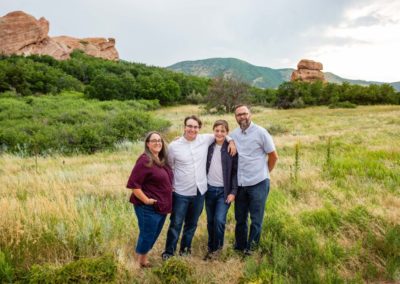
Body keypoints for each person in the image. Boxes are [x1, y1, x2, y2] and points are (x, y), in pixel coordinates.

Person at [162, 115, 236, 260]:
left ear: (199, 128)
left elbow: (222, 134)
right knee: (176, 223)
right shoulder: (174, 146)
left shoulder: (205, 139)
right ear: (184, 127)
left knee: (191, 225)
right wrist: (170, 188)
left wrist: (231, 140)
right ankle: (169, 253)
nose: (192, 129)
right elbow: (169, 168)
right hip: (180, 192)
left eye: (195, 127)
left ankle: (185, 251)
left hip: (199, 192)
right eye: (189, 126)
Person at [231, 105, 278, 254]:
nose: (242, 117)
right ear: (235, 117)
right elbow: (219, 137)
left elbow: (273, 156)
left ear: (250, 114)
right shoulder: (234, 134)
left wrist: (264, 172)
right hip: (241, 183)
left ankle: (251, 249)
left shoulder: (261, 132)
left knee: (256, 219)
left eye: (244, 114)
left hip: (259, 182)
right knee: (240, 218)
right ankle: (240, 246)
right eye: (239, 115)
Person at [126, 131, 173, 268]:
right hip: (148, 207)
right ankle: (141, 262)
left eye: (159, 140)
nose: (158, 143)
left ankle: (142, 258)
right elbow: (134, 185)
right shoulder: (144, 160)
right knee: (148, 233)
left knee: (154, 233)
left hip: (161, 206)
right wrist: (146, 200)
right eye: (154, 141)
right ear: (147, 144)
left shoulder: (160, 159)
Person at [204, 120, 238, 260]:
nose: (219, 133)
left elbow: (236, 172)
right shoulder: (208, 146)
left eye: (223, 131)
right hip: (208, 190)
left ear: (227, 132)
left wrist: (233, 192)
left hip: (224, 192)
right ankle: (211, 246)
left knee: (219, 220)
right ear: (213, 131)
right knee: (211, 221)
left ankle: (216, 251)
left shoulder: (231, 149)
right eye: (217, 130)